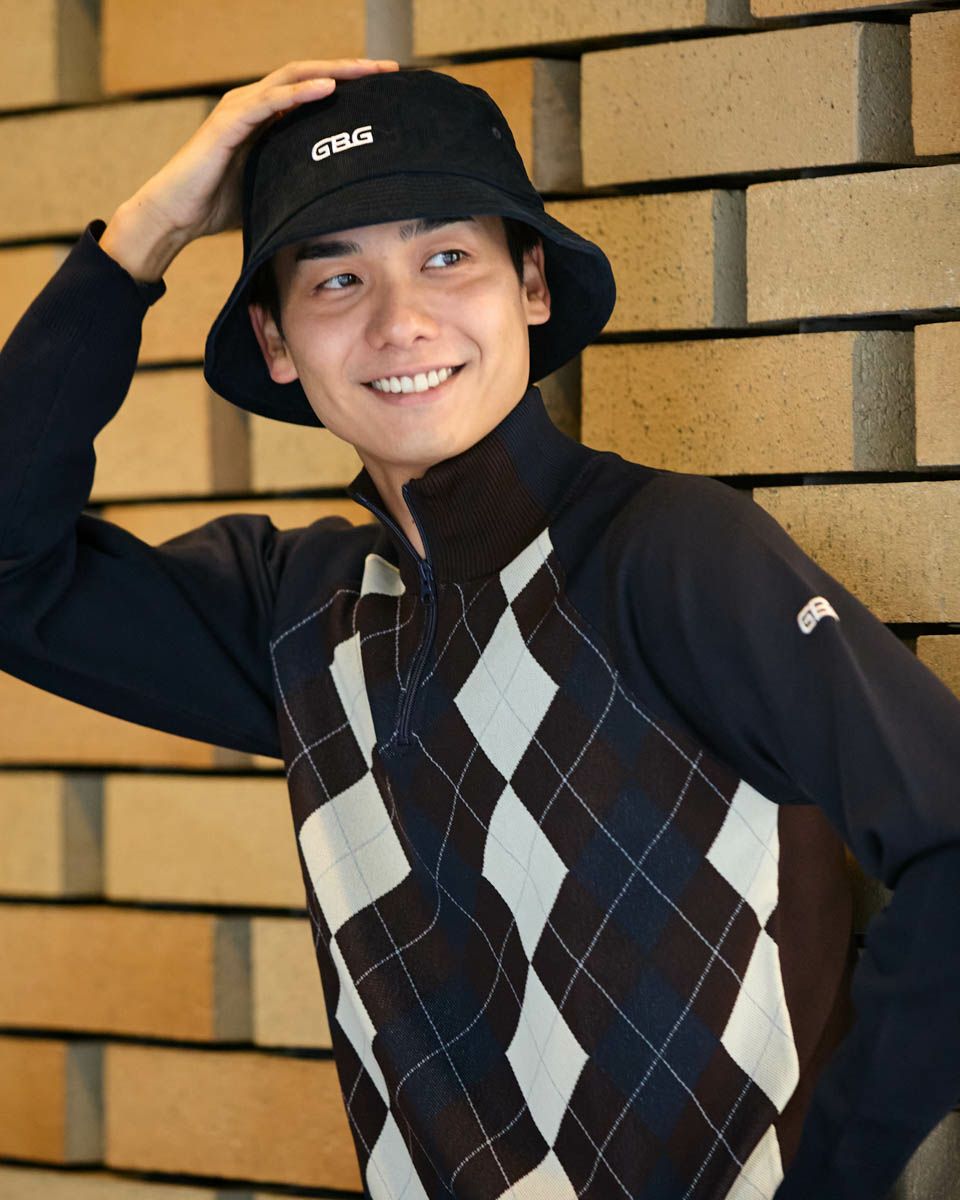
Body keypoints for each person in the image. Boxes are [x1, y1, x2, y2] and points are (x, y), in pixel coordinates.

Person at [1, 57, 959, 1200]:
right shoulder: (302, 612)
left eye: (447, 258)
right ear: (276, 341)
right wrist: (144, 235)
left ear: (532, 285)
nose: (402, 322)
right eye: (337, 279)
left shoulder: (669, 556)